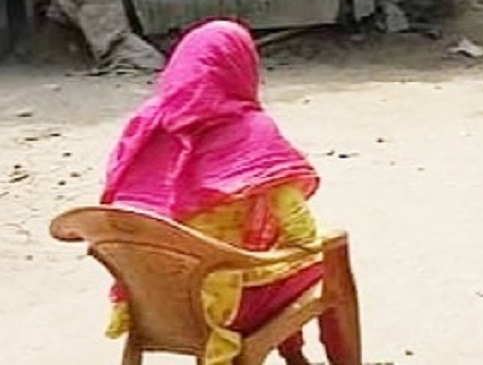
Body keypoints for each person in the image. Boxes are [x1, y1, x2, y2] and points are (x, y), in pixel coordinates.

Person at [100, 20, 355, 365]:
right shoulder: (252, 134)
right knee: (325, 261)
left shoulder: (144, 127)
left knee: (260, 254)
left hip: (146, 299)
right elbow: (303, 234)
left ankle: (295, 356)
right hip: (230, 305)